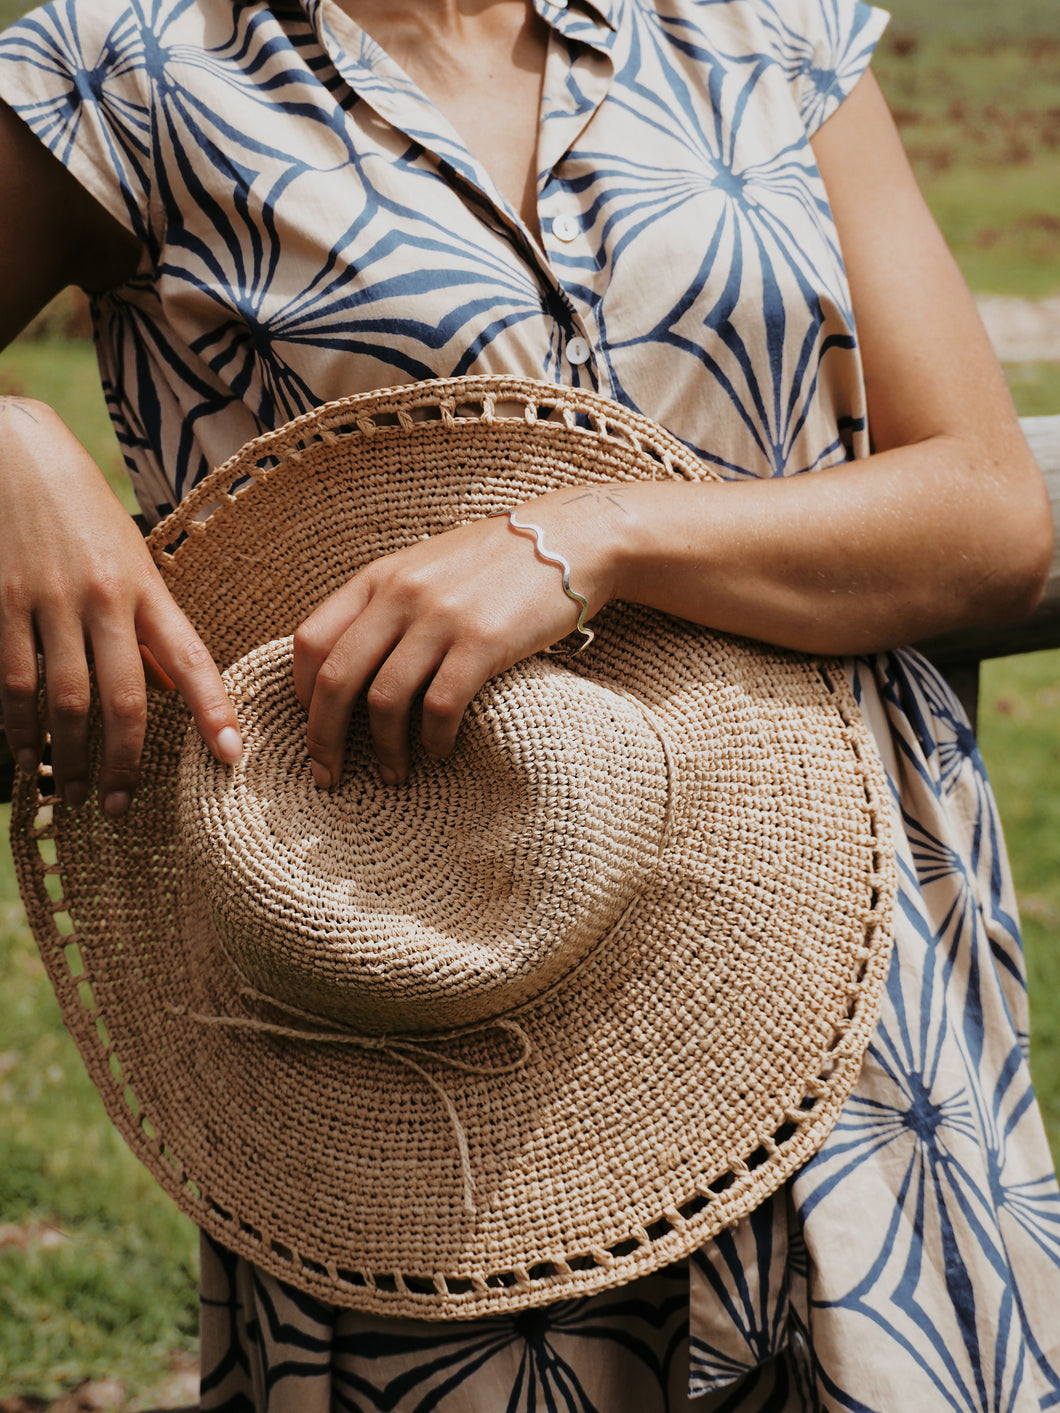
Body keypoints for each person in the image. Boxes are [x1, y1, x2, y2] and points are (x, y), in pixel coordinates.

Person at [0, 0, 1057, 1407]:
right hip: (435, 1049)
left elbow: (990, 514)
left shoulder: (761, 25)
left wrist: (593, 540)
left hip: (858, 967)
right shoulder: (130, 66)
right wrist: (9, 439)